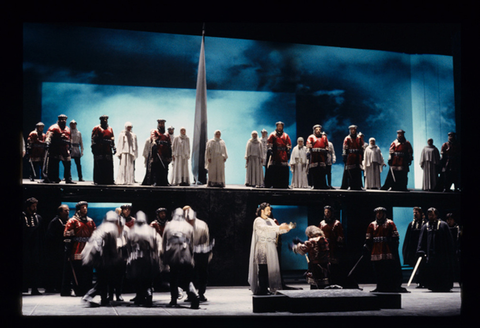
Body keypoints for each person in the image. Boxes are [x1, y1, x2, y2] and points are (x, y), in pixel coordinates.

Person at [248, 202, 292, 295]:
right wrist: (279, 227)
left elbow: (277, 230)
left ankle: (270, 287)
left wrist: (286, 229)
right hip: (263, 246)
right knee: (263, 268)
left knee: (270, 269)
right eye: (267, 210)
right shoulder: (258, 220)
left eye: (270, 210)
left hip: (271, 246)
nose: (269, 212)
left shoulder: (271, 220)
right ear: (262, 210)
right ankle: (262, 289)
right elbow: (265, 228)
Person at [81, 211, 124, 306]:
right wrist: (117, 258)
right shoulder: (112, 228)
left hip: (94, 255)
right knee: (104, 279)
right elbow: (112, 247)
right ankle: (88, 296)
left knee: (103, 278)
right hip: (102, 257)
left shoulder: (102, 227)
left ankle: (104, 299)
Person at [162, 208, 200, 309]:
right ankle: (193, 293)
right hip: (186, 254)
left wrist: (165, 258)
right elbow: (192, 244)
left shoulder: (168, 225)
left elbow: (164, 242)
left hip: (173, 255)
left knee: (173, 278)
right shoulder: (188, 226)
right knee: (187, 278)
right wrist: (191, 257)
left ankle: (173, 299)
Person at [365, 207, 407, 292]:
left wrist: (394, 248)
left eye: (380, 213)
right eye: (377, 213)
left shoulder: (390, 223)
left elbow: (395, 236)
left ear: (384, 214)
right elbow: (368, 238)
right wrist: (368, 246)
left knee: (388, 270)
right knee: (378, 270)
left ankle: (389, 287)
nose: (379, 215)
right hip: (376, 252)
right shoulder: (372, 225)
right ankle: (379, 286)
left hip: (387, 251)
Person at [125, 211, 162, 306]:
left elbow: (128, 246)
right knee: (148, 279)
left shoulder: (132, 231)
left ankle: (139, 296)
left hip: (135, 257)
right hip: (148, 257)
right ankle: (148, 293)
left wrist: (129, 257)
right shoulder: (151, 230)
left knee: (137, 279)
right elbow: (156, 244)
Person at [416, 207, 455, 292]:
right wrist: (420, 250)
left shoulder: (443, 225)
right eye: (429, 215)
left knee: (442, 270)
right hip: (431, 255)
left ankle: (444, 286)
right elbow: (421, 239)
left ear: (436, 215)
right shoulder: (426, 226)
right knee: (432, 270)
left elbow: (449, 241)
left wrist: (450, 253)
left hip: (442, 255)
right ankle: (433, 285)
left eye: (432, 215)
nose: (430, 216)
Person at [63, 201, 96, 296]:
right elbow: (67, 234)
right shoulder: (72, 221)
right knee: (78, 271)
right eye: (82, 207)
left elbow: (95, 233)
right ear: (78, 209)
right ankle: (79, 289)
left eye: (86, 207)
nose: (85, 209)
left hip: (88, 248)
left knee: (88, 271)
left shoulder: (90, 221)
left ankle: (88, 289)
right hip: (76, 248)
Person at [184, 206, 213, 302]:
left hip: (200, 252)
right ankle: (192, 293)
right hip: (190, 252)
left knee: (201, 273)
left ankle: (200, 293)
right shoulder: (184, 224)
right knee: (190, 274)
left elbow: (206, 241)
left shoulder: (201, 225)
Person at [44, 204, 70, 293]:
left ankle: (59, 286)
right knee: (53, 268)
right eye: (65, 211)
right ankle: (50, 287)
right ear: (60, 212)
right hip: (54, 250)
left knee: (61, 268)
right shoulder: (54, 222)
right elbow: (49, 237)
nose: (67, 212)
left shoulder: (68, 221)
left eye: (68, 210)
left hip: (63, 250)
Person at [21, 197, 44, 295]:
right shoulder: (21, 217)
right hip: (24, 246)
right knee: (24, 267)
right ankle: (23, 287)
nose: (35, 208)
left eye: (36, 206)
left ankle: (34, 288)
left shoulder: (38, 218)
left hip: (35, 247)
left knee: (35, 267)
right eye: (33, 206)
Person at [319, 206, 346, 287]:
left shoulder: (337, 223)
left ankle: (336, 282)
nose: (327, 214)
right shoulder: (322, 223)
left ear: (332, 213)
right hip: (324, 248)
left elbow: (341, 236)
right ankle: (326, 283)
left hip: (334, 248)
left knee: (334, 266)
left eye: (328, 212)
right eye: (325, 212)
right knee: (324, 266)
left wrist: (338, 245)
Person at [44, 114, 75, 184]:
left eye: (64, 119)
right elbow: (49, 136)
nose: (63, 121)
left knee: (67, 163)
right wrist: (47, 142)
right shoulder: (53, 127)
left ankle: (68, 178)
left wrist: (70, 146)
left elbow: (70, 138)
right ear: (58, 120)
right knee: (54, 164)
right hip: (56, 148)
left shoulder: (68, 129)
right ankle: (54, 178)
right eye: (61, 119)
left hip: (65, 148)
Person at [402, 207, 427, 288]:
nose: (415, 214)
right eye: (414, 213)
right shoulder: (412, 224)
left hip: (423, 248)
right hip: (413, 249)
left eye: (416, 212)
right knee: (415, 265)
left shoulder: (425, 224)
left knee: (423, 266)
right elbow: (408, 238)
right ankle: (419, 281)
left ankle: (424, 281)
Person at [143, 119, 172, 186]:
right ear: (158, 124)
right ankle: (155, 181)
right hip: (158, 152)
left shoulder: (167, 134)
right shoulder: (155, 131)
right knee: (157, 167)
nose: (162, 125)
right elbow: (153, 139)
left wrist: (169, 152)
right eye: (160, 123)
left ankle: (165, 181)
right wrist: (155, 144)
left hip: (165, 153)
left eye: (163, 124)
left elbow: (169, 143)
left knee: (165, 167)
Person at [265, 122, 292, 188]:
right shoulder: (272, 135)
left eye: (281, 126)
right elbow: (269, 143)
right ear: (276, 127)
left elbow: (289, 144)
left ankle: (284, 184)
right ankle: (273, 184)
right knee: (274, 169)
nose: (280, 127)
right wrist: (270, 150)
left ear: (282, 127)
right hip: (275, 154)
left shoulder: (286, 135)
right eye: (278, 126)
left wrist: (288, 150)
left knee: (284, 169)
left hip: (283, 154)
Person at [91, 115, 116, 185]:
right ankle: (98, 180)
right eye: (103, 119)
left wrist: (114, 147)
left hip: (108, 149)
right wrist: (94, 149)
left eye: (106, 119)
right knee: (99, 165)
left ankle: (109, 180)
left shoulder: (110, 129)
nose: (105, 121)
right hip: (99, 149)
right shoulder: (97, 128)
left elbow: (112, 138)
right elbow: (94, 139)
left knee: (108, 165)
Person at [341, 125, 364, 190]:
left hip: (358, 157)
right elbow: (345, 148)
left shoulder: (359, 138)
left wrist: (362, 155)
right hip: (350, 157)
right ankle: (351, 185)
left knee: (358, 171)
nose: (353, 131)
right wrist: (345, 156)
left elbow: (362, 147)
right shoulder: (347, 138)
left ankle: (358, 186)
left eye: (354, 129)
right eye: (351, 129)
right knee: (350, 171)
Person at [306, 124, 329, 189]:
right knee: (314, 171)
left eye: (319, 129)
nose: (318, 131)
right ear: (314, 130)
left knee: (322, 171)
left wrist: (326, 150)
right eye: (317, 129)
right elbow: (308, 144)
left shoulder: (324, 137)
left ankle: (322, 185)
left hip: (322, 156)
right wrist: (310, 147)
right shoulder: (311, 137)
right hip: (314, 156)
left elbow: (326, 145)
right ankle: (314, 185)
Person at [445, 213, 462, 284]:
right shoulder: (444, 227)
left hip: (456, 249)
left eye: (451, 219)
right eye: (448, 220)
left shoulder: (457, 228)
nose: (449, 221)